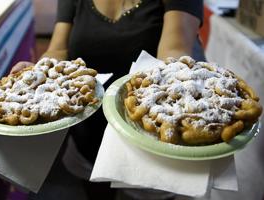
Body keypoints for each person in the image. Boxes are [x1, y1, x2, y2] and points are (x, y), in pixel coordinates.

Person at [12, 0, 204, 199]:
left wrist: (171, 81)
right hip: (88, 129)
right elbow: (58, 50)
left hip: (146, 134)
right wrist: (40, 70)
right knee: (96, 191)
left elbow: (174, 49)